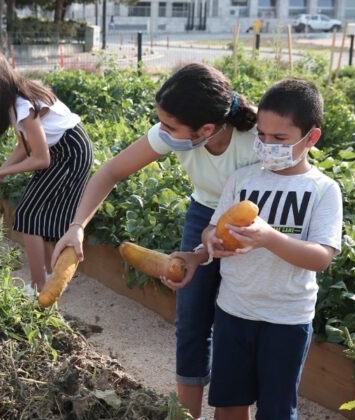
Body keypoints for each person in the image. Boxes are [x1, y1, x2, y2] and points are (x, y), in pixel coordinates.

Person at [52, 62, 259, 418]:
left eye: (169, 126)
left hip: (252, 224)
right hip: (203, 212)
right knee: (191, 320)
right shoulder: (178, 132)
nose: (161, 131)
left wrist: (212, 249)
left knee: (233, 324)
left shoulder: (257, 142)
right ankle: (187, 414)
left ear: (205, 130)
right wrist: (77, 226)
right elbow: (111, 171)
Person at [198, 78, 343, 419]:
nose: (267, 144)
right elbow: (211, 226)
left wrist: (269, 238)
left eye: (280, 139)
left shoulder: (323, 190)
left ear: (311, 138)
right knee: (229, 402)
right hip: (234, 310)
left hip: (286, 318)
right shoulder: (243, 180)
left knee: (276, 409)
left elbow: (321, 257)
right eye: (262, 136)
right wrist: (211, 240)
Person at [0, 44, 93, 294]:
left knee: (29, 215)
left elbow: (41, 159)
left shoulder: (22, 103)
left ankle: (39, 287)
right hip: (61, 150)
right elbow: (24, 146)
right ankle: (48, 280)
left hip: (70, 152)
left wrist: (2, 172)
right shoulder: (13, 100)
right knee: (32, 217)